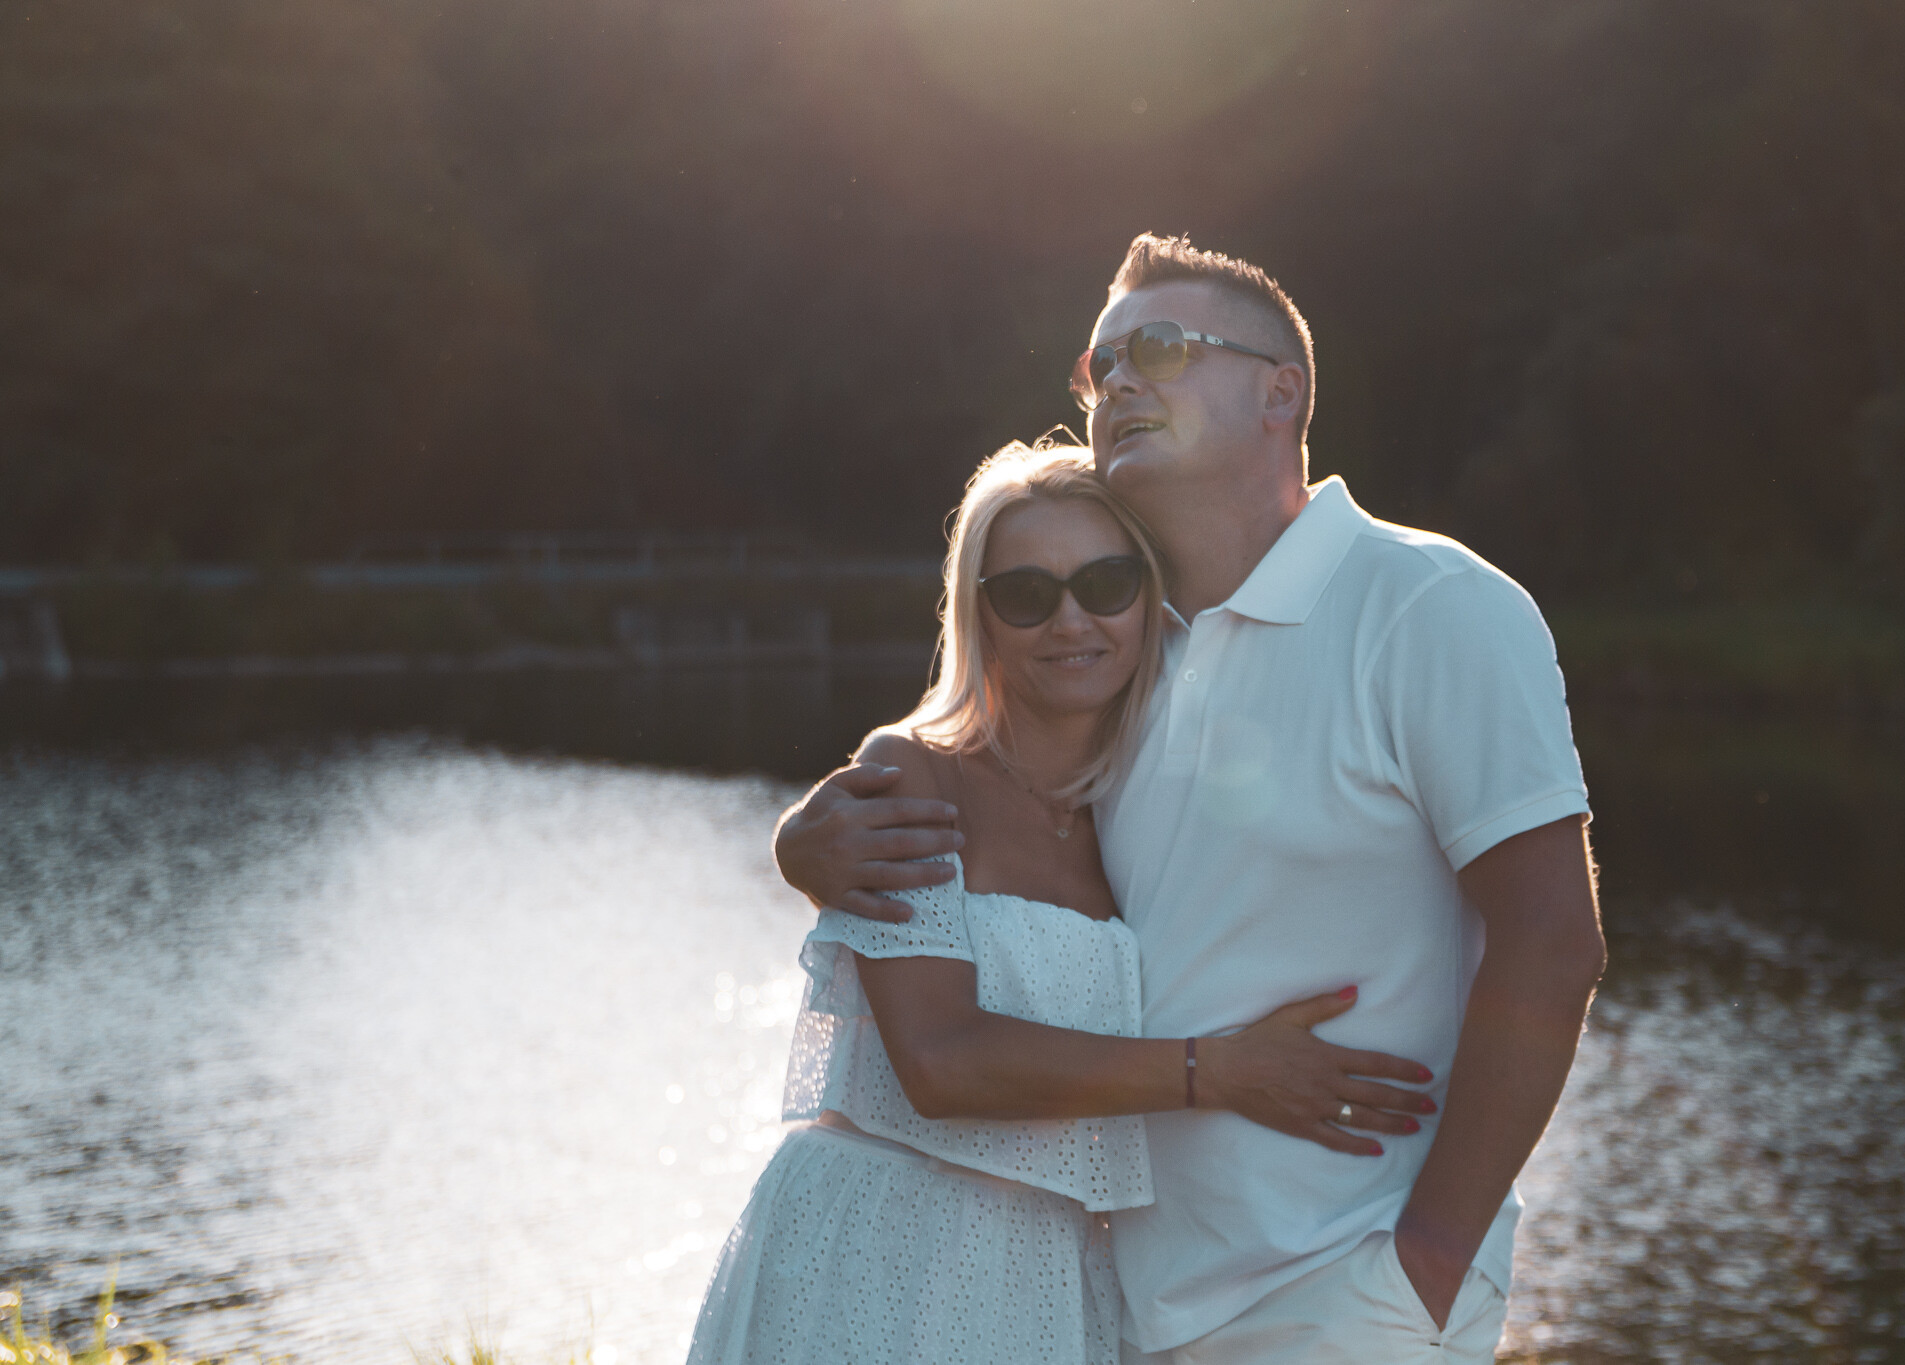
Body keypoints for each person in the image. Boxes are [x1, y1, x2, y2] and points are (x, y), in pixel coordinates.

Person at [774, 235, 1608, 1364]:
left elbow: (1552, 941)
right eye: (1099, 365)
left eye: (1159, 348)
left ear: (1281, 392)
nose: (1118, 381)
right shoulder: (1127, 655)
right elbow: (986, 808)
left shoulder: (1428, 603)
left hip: (1344, 1289)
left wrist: (1427, 1262)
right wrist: (803, 842)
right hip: (1122, 1303)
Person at [688, 442, 1439, 1365]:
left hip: (1055, 1272)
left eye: (1105, 582)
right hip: (881, 1253)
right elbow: (939, 1062)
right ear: (981, 615)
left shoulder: (1143, 801)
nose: (1072, 619)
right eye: (1027, 594)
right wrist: (1221, 1071)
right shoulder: (915, 774)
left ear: (1150, 597)